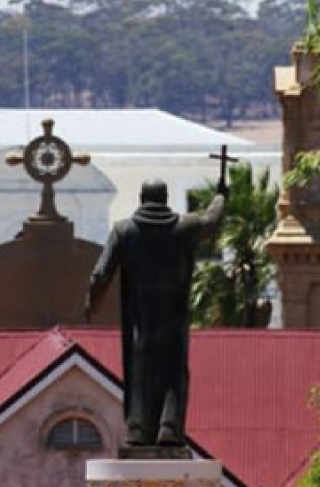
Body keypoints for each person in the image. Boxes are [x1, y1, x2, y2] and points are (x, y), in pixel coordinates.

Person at [86, 178, 226, 447]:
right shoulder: (183, 228)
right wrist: (220, 196)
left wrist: (92, 303)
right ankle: (170, 427)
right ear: (165, 199)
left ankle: (138, 429)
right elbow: (212, 220)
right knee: (173, 371)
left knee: (140, 371)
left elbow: (100, 275)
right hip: (172, 315)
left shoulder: (124, 231)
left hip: (140, 317)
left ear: (141, 198)